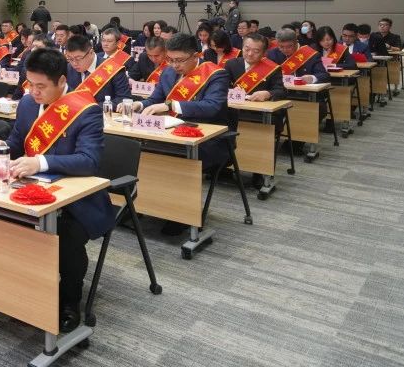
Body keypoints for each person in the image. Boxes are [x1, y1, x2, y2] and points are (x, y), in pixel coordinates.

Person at [5, 48, 115, 332]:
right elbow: (15, 142)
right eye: (30, 84)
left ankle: (69, 301)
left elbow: (89, 161)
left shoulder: (86, 110)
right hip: (31, 191)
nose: (34, 92)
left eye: (41, 86)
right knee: (1, 221)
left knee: (64, 235)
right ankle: (23, 290)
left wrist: (40, 162)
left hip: (78, 200)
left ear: (62, 81)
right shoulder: (27, 104)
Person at [120, 33, 231, 235]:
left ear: (196, 55)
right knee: (138, 152)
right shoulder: (168, 73)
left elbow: (212, 107)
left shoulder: (216, 75)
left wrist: (171, 105)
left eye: (179, 60)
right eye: (170, 60)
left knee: (170, 158)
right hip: (169, 132)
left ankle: (180, 213)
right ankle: (144, 205)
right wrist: (139, 105)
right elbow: (155, 100)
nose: (174, 65)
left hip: (206, 138)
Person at [224, 32, 287, 188]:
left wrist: (268, 93)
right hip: (235, 112)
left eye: (256, 51)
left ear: (264, 52)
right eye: (247, 49)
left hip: (260, 116)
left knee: (261, 133)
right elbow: (221, 87)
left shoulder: (272, 68)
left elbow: (282, 91)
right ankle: (224, 167)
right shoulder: (231, 64)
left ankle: (260, 171)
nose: (250, 54)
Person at [64, 34, 130, 106]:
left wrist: (91, 108)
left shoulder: (113, 69)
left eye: (78, 58)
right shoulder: (68, 68)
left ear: (91, 52)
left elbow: (124, 99)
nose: (74, 63)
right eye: (70, 59)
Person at [11, 34, 51, 100]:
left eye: (38, 47)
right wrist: (14, 100)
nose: (34, 50)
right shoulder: (28, 63)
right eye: (33, 46)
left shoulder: (52, 67)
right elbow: (20, 87)